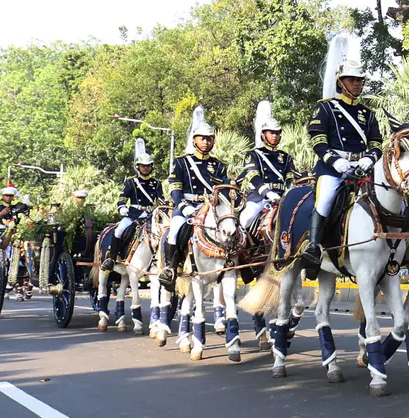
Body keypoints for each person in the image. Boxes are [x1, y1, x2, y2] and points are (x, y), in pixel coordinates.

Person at [303, 34, 384, 268]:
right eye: (352, 80)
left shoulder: (368, 114)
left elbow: (376, 143)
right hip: (333, 169)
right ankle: (314, 246)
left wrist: (370, 158)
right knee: (325, 199)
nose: (357, 84)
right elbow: (318, 140)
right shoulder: (326, 108)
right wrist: (335, 161)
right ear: (341, 82)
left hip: (362, 169)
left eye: (360, 80)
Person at [162, 107, 229, 286]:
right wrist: (183, 206)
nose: (206, 142)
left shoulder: (219, 165)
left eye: (209, 138)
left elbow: (224, 190)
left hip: (211, 208)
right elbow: (175, 188)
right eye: (202, 138)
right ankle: (170, 268)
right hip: (188, 206)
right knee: (174, 232)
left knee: (230, 229)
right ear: (194, 140)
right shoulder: (181, 162)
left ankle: (231, 262)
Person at [101, 138, 163, 272]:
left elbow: (161, 200)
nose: (145, 168)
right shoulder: (131, 182)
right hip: (133, 214)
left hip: (150, 215)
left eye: (148, 165)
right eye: (143, 166)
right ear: (138, 167)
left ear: (151, 167)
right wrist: (122, 207)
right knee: (119, 231)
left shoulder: (157, 183)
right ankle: (112, 259)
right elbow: (122, 198)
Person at [238, 101, 302, 231]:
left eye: (277, 133)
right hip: (259, 198)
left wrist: (288, 193)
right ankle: (241, 242)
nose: (274, 136)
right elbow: (253, 177)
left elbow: (290, 177)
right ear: (263, 135)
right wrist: (268, 193)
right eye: (271, 132)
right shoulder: (253, 155)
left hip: (282, 197)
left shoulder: (286, 156)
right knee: (245, 219)